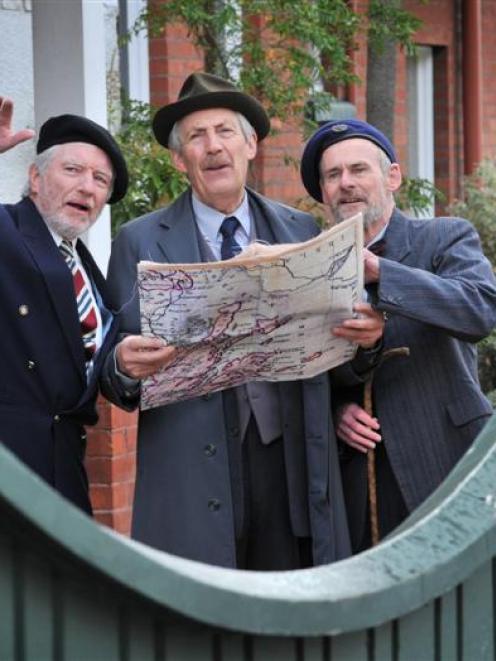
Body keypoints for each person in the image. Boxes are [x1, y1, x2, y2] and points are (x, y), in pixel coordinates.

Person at [101, 72, 384, 570]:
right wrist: (124, 365)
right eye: (196, 137)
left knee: (289, 624)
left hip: (290, 462)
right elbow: (113, 369)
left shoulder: (301, 228)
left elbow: (334, 353)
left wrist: (362, 341)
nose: (213, 147)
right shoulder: (138, 241)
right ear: (178, 157)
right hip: (192, 469)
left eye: (225, 132)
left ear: (251, 144)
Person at [300, 118, 496, 552]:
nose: (345, 183)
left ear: (392, 177)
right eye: (333, 175)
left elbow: (480, 309)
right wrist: (336, 410)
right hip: (356, 478)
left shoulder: (445, 237)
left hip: (445, 458)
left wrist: (381, 272)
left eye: (358, 170)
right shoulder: (310, 263)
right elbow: (304, 363)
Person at [0, 96, 128, 514]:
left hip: (65, 480)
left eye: (100, 180)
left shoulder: (91, 274)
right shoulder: (6, 231)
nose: (87, 187)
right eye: (72, 170)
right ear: (35, 179)